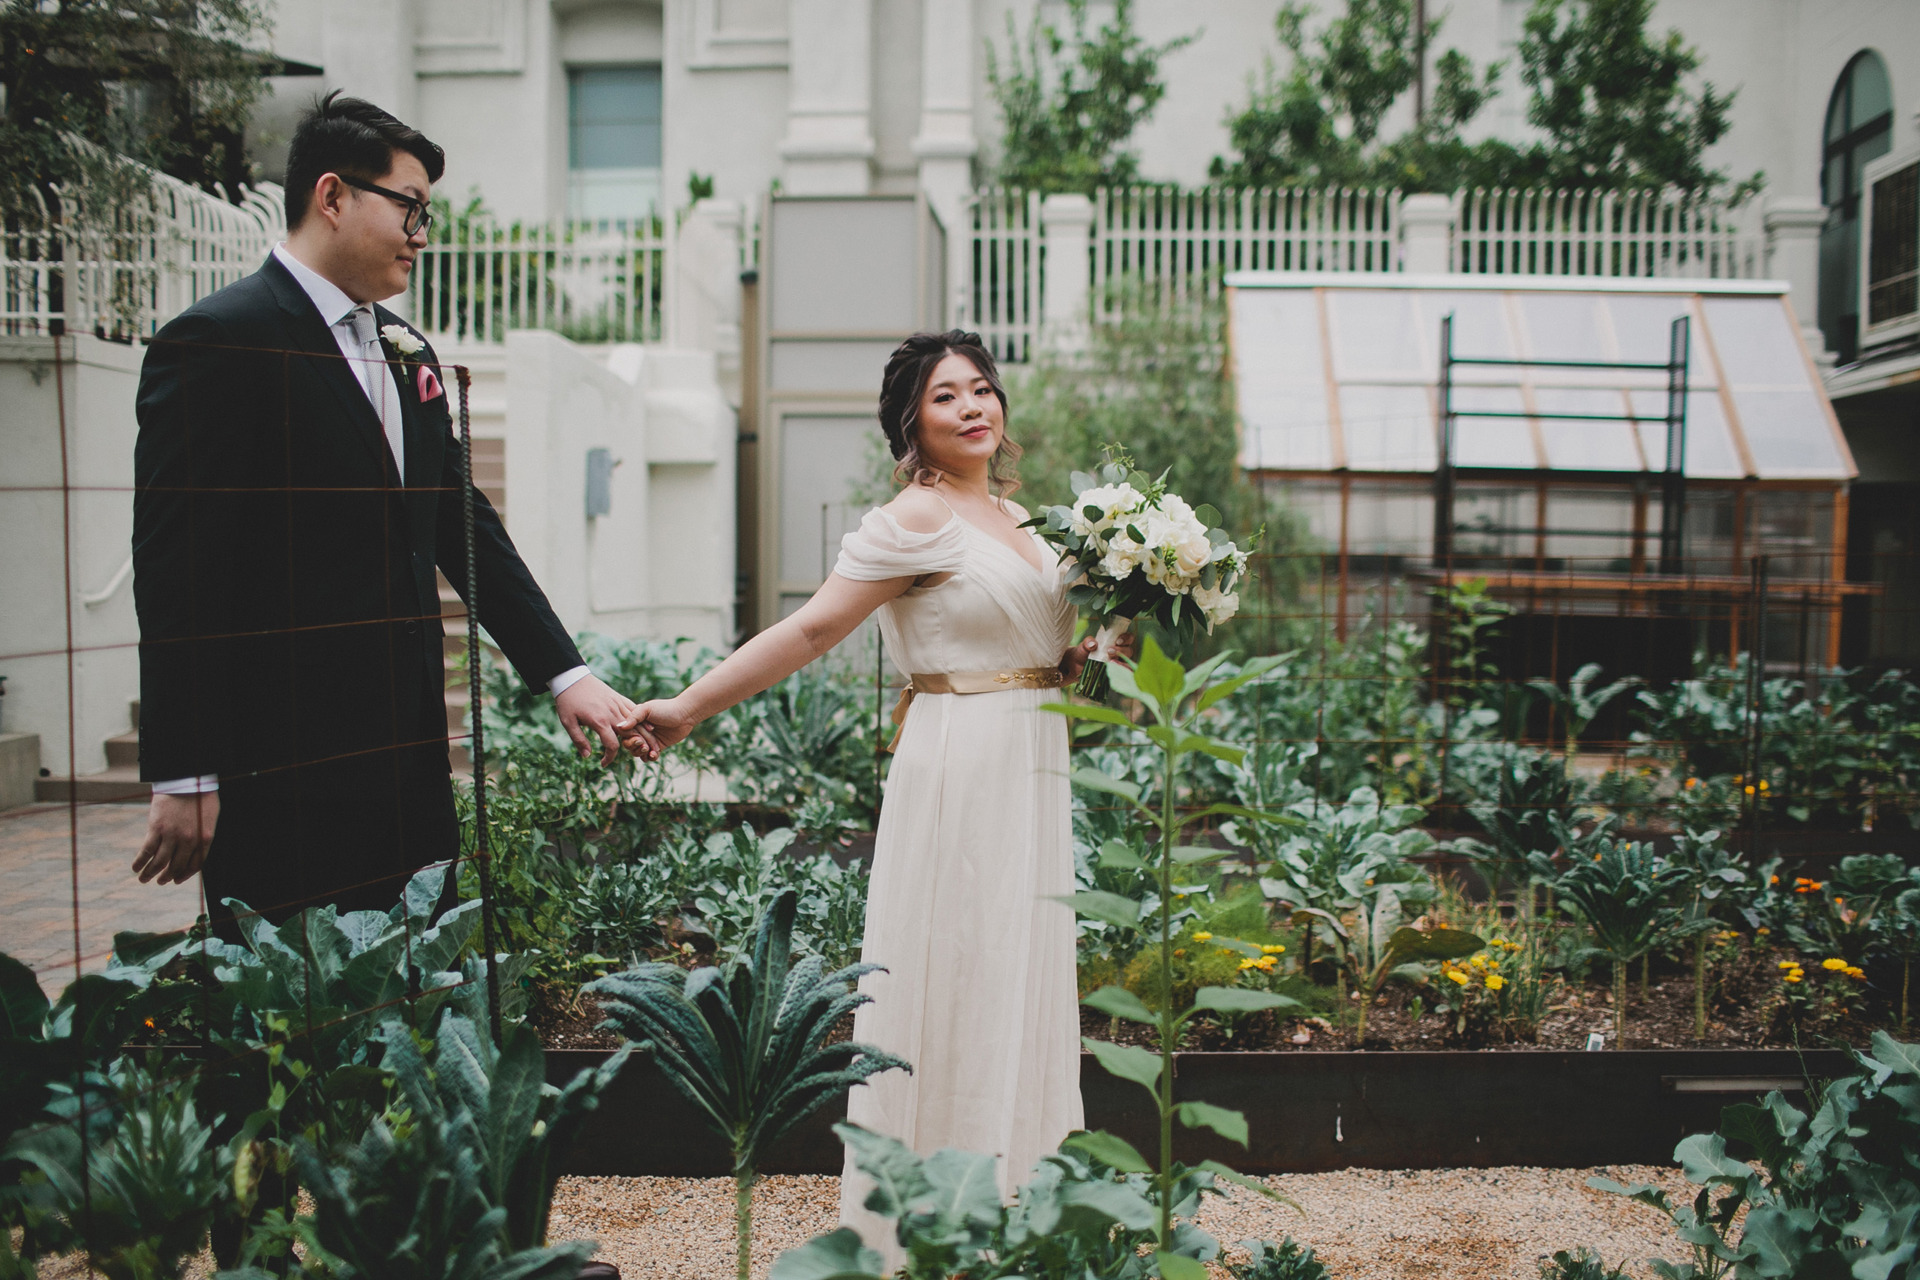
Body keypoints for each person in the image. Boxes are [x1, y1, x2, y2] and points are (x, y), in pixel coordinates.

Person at [618, 330, 1121, 1253]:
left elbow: (1050, 660)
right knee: (958, 965)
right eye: (946, 397)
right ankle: (929, 1216)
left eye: (982, 390)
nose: (973, 408)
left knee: (1021, 966)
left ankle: (1021, 1202)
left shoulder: (1029, 519)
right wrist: (688, 708)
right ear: (912, 423)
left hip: (1036, 762)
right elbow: (812, 630)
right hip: (959, 759)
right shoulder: (915, 521)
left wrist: (1107, 645)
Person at [130, 91, 635, 941]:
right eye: (409, 207)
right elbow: (179, 566)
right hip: (279, 761)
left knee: (417, 994)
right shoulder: (218, 341)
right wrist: (185, 770)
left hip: (405, 755)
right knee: (301, 1020)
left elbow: (459, 521)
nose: (420, 234)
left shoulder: (407, 350)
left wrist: (564, 673)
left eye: (426, 214)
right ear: (332, 196)